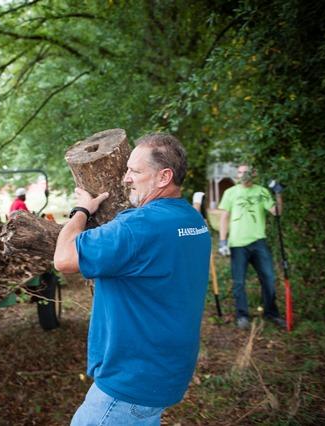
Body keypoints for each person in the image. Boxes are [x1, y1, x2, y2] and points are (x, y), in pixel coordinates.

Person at [54, 133, 211, 425]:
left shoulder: (138, 228)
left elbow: (63, 258)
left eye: (135, 171)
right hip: (169, 370)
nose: (125, 178)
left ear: (164, 176)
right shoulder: (192, 220)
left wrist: (81, 211)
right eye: (126, 169)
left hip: (131, 380)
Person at [218, 164, 286, 330]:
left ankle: (271, 313)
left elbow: (276, 212)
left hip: (258, 242)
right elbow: (224, 218)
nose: (243, 175)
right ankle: (242, 315)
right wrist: (222, 242)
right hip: (237, 244)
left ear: (253, 174)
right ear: (237, 175)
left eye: (246, 172)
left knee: (269, 278)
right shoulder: (230, 193)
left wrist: (278, 193)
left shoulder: (261, 191)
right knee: (239, 282)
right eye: (240, 172)